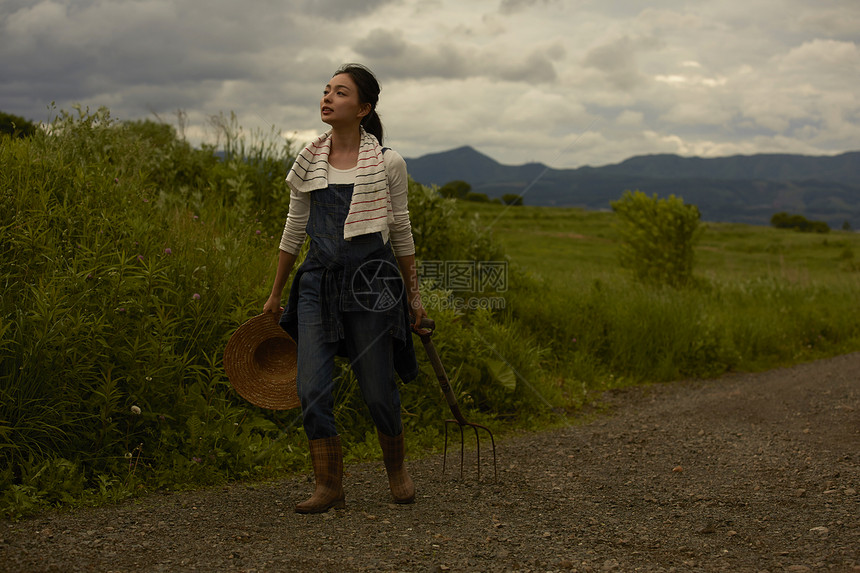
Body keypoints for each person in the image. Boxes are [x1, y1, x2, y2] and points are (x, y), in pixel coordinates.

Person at [263, 63, 428, 514]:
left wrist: (414, 298)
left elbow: (402, 233)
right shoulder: (308, 161)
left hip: (372, 283)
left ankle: (396, 469)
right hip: (317, 282)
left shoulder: (389, 163)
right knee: (311, 388)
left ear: (364, 108)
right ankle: (328, 484)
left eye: (340, 92)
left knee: (377, 389)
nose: (327, 97)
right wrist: (276, 293)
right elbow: (294, 230)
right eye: (325, 90)